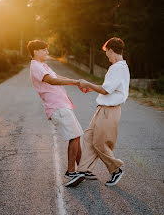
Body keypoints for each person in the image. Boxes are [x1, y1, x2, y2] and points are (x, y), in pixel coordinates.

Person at [67, 37, 130, 187]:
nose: (106, 56)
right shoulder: (118, 67)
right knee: (88, 137)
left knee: (100, 143)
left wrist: (87, 83)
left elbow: (106, 90)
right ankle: (83, 170)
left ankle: (116, 169)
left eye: (107, 52)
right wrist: (91, 89)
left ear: (111, 50)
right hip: (102, 109)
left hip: (109, 111)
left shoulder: (118, 68)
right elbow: (108, 89)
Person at [27, 39, 85, 187]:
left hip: (62, 105)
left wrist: (76, 82)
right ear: (35, 51)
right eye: (44, 49)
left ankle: (84, 169)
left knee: (76, 135)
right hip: (57, 107)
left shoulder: (43, 65)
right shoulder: (35, 66)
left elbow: (58, 77)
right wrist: (75, 82)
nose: (47, 52)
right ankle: (71, 172)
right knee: (74, 136)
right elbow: (52, 81)